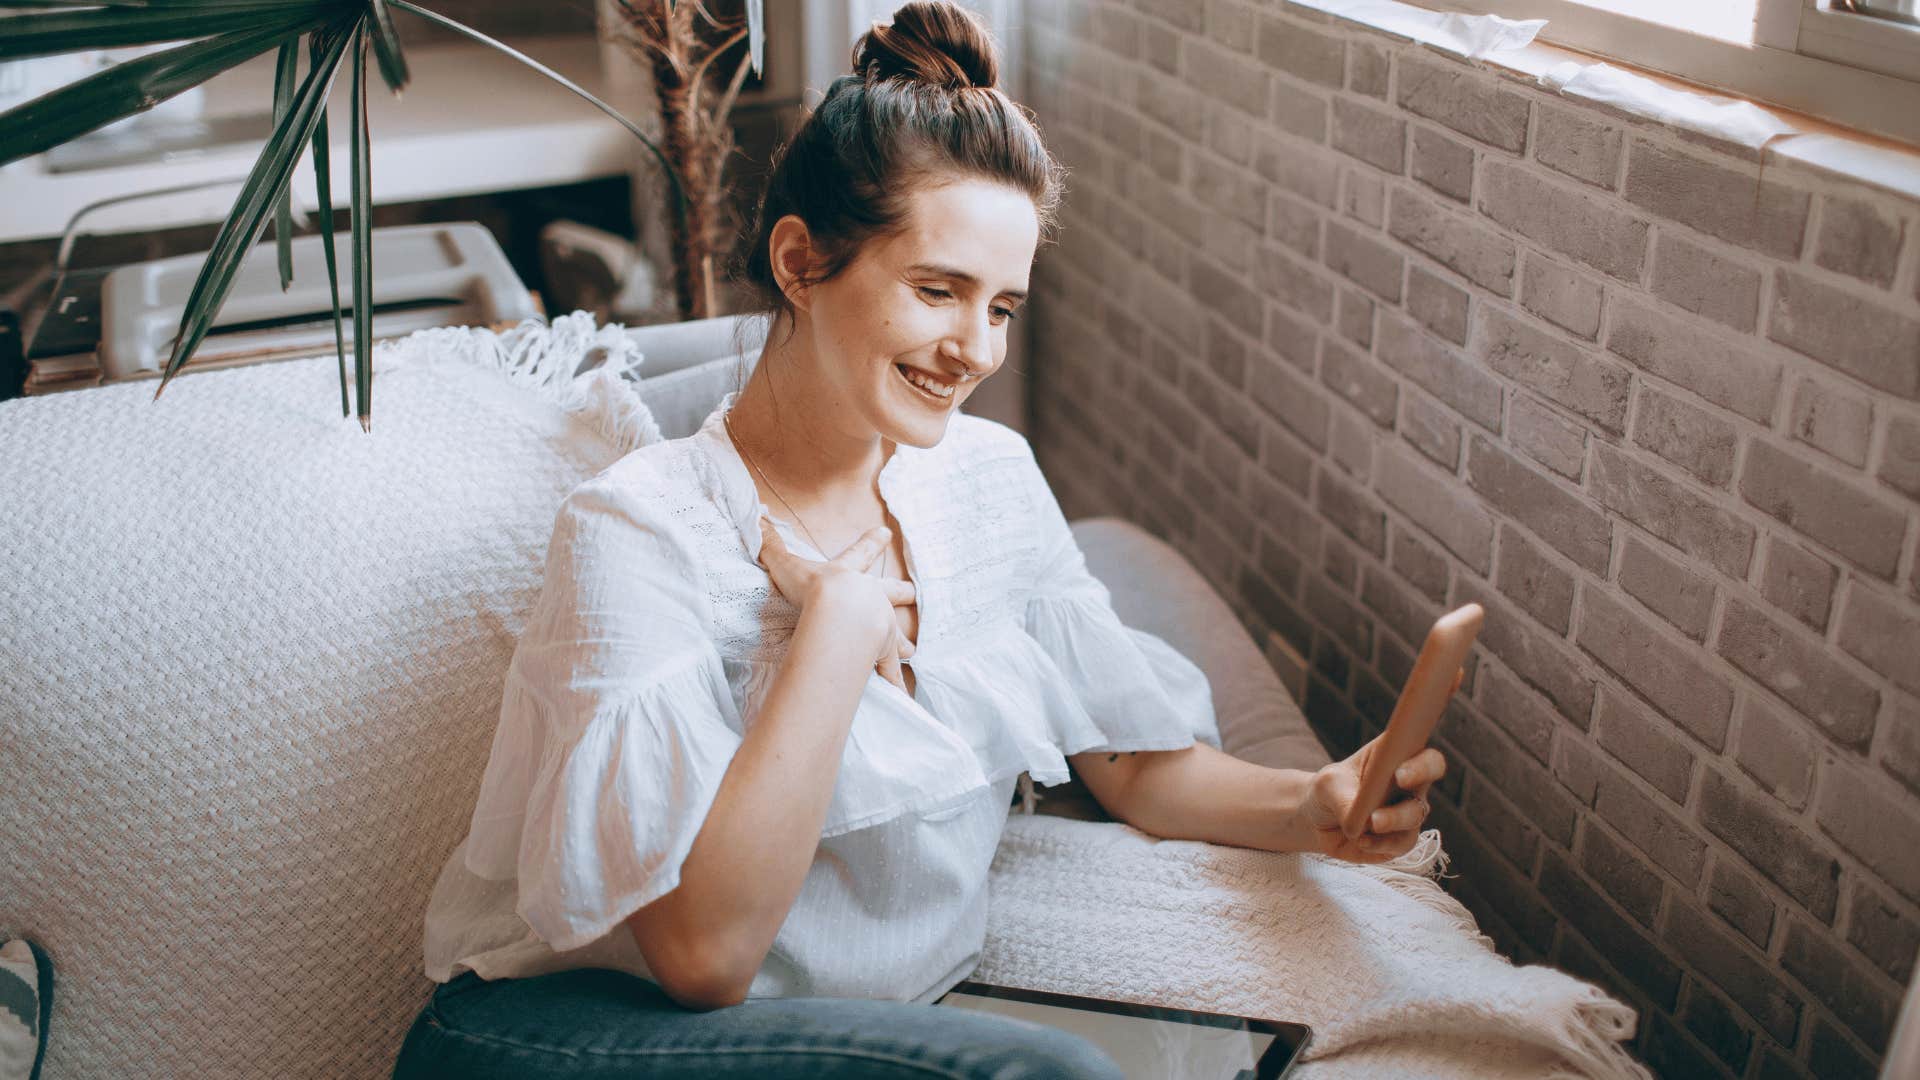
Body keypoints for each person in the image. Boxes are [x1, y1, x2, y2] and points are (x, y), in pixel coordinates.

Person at [391, 3, 1449, 1077]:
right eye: (937, 291)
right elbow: (706, 958)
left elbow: (1131, 767)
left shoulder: (988, 480)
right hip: (569, 1037)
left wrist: (1311, 808)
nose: (975, 349)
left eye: (1002, 308)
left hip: (862, 1029)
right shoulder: (638, 532)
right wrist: (838, 635)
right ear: (800, 262)